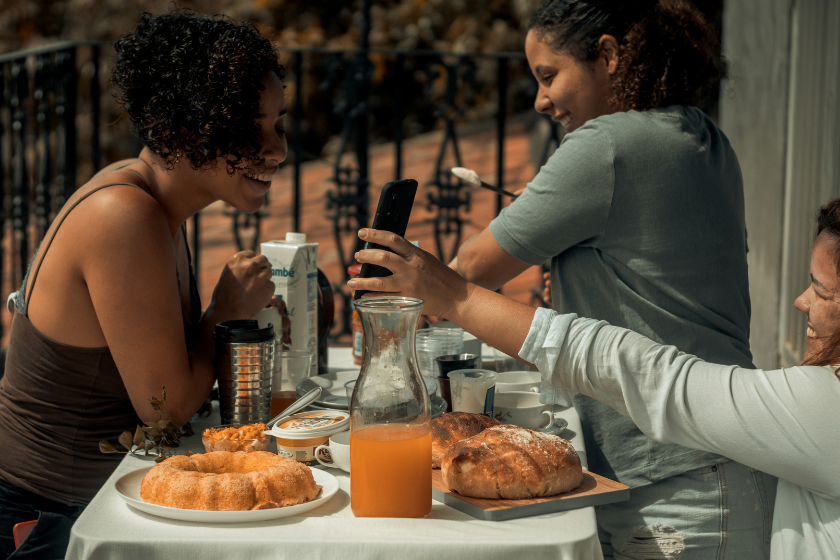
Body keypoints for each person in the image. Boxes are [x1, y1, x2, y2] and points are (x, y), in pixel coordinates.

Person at [380, 0, 777, 556]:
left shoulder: (606, 144)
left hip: (672, 480)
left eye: (549, 76)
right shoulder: (702, 134)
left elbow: (471, 269)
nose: (540, 100)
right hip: (716, 458)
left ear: (609, 56)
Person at [348, 198, 840, 560]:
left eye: (821, 289)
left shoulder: (828, 408)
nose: (802, 301)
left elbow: (648, 376)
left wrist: (454, 296)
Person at [0, 10, 289, 558]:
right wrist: (224, 312)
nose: (277, 150)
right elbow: (165, 409)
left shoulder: (155, 211)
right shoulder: (123, 216)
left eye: (278, 125)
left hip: (97, 505)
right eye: (251, 126)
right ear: (185, 132)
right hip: (47, 522)